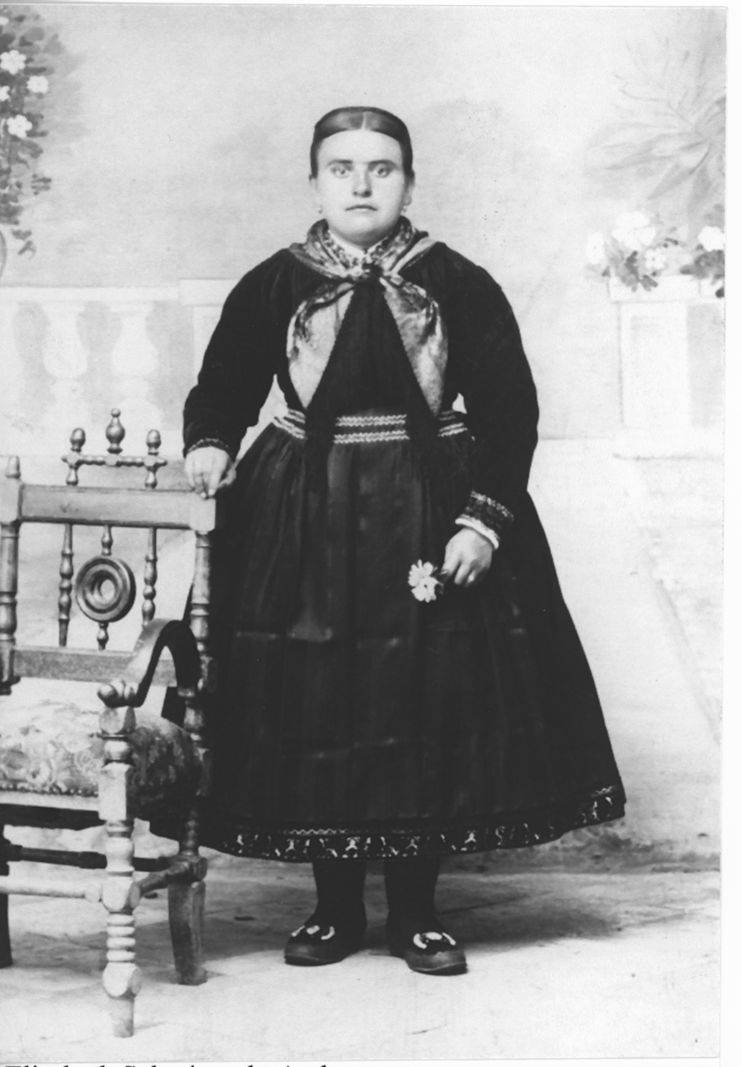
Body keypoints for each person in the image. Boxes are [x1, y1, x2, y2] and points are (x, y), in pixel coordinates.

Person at [180, 106, 626, 977]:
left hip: (431, 505)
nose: (360, 184)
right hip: (304, 512)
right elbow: (224, 380)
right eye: (341, 167)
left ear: (410, 183)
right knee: (319, 692)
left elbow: (512, 411)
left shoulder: (458, 282)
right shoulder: (274, 282)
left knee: (428, 694)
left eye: (381, 168)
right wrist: (210, 440)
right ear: (315, 182)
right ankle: (335, 907)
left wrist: (483, 518)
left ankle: (418, 912)